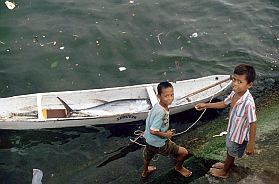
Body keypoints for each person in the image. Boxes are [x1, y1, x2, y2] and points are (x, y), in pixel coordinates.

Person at [195, 64, 257, 178]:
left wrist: (251, 144)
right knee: (229, 150)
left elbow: (253, 123)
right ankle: (229, 165)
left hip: (238, 136)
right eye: (234, 79)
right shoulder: (235, 92)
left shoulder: (248, 103)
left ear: (249, 85)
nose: (235, 83)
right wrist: (206, 105)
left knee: (230, 153)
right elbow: (224, 103)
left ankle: (224, 172)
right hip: (232, 129)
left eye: (239, 82)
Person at [141, 81, 192, 179]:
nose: (170, 98)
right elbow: (153, 130)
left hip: (148, 140)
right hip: (159, 143)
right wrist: (167, 135)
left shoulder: (157, 106)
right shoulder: (161, 112)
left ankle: (145, 171)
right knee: (184, 152)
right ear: (158, 96)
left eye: (172, 95)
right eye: (166, 96)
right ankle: (179, 167)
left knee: (148, 155)